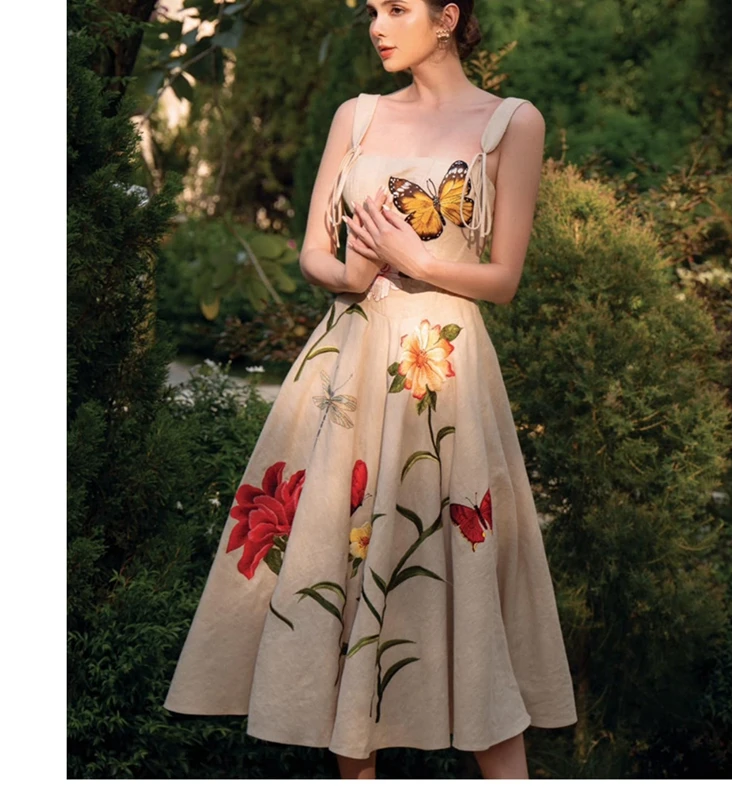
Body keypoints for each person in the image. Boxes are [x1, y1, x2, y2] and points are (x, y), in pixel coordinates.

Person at [163, 0, 578, 780]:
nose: (377, 25)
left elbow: (504, 279)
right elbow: (312, 254)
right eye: (371, 10)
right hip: (346, 369)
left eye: (396, 8)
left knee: (461, 576)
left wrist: (415, 261)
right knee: (343, 576)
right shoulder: (356, 116)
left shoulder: (511, 124)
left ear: (447, 16)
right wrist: (351, 272)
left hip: (441, 377)